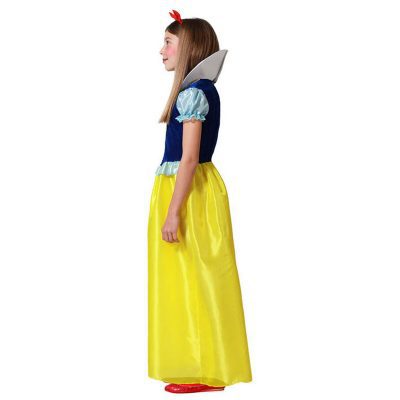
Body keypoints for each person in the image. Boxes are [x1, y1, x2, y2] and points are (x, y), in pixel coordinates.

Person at [147, 16, 253, 394]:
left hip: (188, 193)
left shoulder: (194, 93)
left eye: (168, 42)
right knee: (185, 278)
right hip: (184, 188)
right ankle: (196, 363)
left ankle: (206, 368)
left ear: (189, 47)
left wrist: (174, 211)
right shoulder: (195, 90)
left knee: (197, 277)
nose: (161, 50)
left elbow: (189, 158)